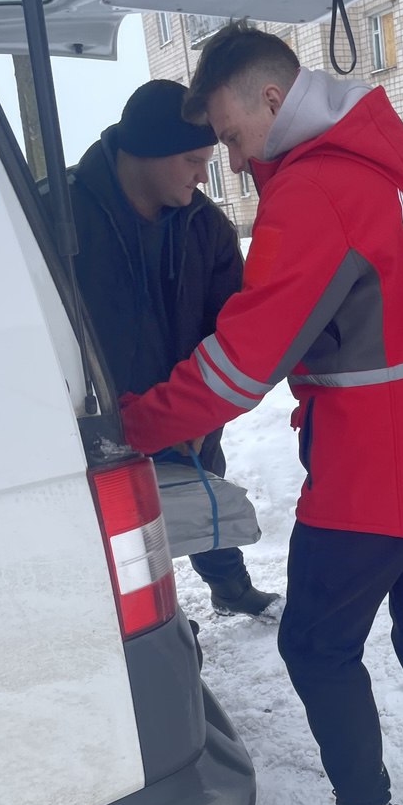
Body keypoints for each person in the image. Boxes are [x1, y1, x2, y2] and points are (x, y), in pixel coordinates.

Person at [118, 25, 403, 805]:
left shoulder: (316, 191)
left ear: (272, 102)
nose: (234, 161)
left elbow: (239, 365)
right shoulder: (390, 168)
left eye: (234, 137)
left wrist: (132, 426)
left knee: (317, 642)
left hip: (375, 471)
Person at [69, 79, 278, 618]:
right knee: (121, 530)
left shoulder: (206, 227)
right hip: (98, 420)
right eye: (191, 159)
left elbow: (227, 328)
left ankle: (229, 585)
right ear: (146, 151)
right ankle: (155, 625)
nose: (203, 174)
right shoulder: (62, 216)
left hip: (184, 409)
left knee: (202, 491)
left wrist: (203, 411)